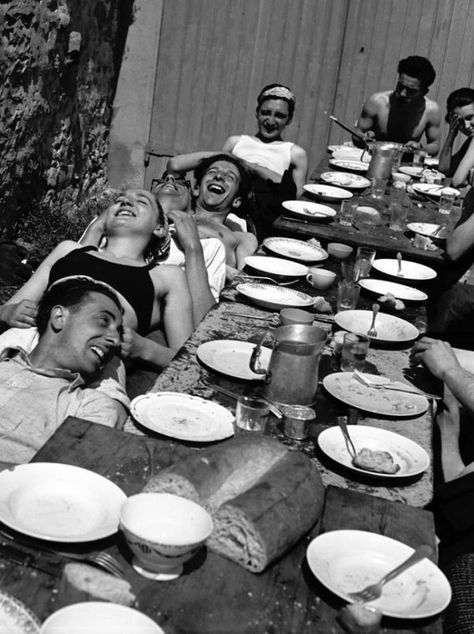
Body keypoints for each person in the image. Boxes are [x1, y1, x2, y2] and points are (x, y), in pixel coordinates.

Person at [0, 189, 194, 370]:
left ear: (160, 229)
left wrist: (145, 349)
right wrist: (10, 312)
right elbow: (9, 308)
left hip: (93, 365)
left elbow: (186, 359)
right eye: (119, 201)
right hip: (27, 343)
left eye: (141, 201)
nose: (126, 201)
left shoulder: (166, 275)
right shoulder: (69, 250)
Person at [0, 277, 125, 464]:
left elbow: (60, 479)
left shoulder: (91, 406)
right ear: (59, 317)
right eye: (103, 320)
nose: (116, 340)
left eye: (119, 332)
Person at [166, 153, 258, 278]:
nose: (219, 176)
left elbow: (245, 282)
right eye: (212, 172)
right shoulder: (176, 215)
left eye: (230, 177)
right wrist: (224, 154)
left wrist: (218, 266)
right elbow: (174, 165)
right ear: (196, 189)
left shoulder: (241, 238)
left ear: (237, 201)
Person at [151, 173, 226, 316]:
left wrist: (192, 247)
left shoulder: (209, 246)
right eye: (161, 181)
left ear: (192, 199)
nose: (170, 179)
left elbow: (203, 319)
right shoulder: (119, 224)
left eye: (181, 183)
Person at [352, 56, 441, 156]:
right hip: (372, 159)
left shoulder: (431, 110)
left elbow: (435, 145)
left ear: (424, 92)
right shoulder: (377, 102)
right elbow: (357, 134)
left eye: (411, 90)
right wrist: (364, 137)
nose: (402, 93)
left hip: (405, 166)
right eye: (400, 86)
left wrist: (420, 148)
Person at [439, 88, 474, 188]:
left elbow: (457, 181)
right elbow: (444, 170)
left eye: (470, 117)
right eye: (461, 122)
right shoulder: (470, 142)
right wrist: (451, 134)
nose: (466, 126)